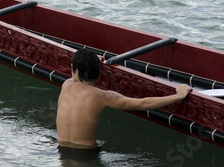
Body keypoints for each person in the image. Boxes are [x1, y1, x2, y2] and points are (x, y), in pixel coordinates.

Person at [56, 48, 192, 160]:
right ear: (97, 76)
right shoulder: (101, 96)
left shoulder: (66, 85)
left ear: (77, 71)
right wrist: (178, 96)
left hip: (61, 149)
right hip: (84, 154)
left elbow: (77, 79)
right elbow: (143, 104)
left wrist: (90, 64)